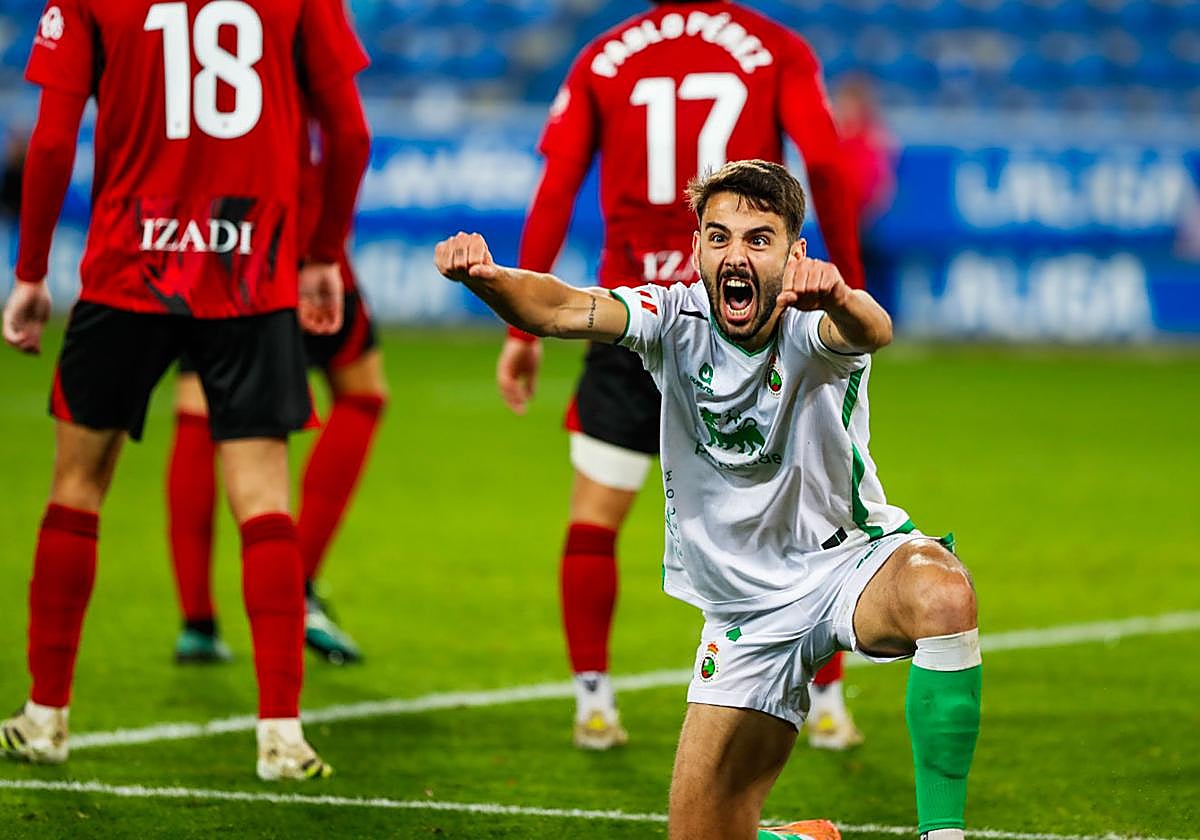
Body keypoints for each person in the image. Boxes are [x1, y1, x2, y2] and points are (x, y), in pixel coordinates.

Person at [436, 159, 981, 840]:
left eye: (759, 239)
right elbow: (554, 306)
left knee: (942, 592)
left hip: (849, 568)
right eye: (719, 236)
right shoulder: (670, 317)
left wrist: (839, 294)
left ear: (794, 254)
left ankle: (944, 836)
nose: (736, 254)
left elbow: (872, 331)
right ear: (695, 248)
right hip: (742, 612)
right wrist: (487, 280)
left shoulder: (811, 323)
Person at [0, 0, 371, 780]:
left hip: (127, 269)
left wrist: (31, 271)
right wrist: (321, 253)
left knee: (76, 487)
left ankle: (46, 717)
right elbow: (350, 134)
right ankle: (281, 734)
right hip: (252, 273)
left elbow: (54, 138)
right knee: (265, 497)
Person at [497, 0, 871, 751]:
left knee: (595, 513)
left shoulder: (606, 53)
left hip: (635, 316)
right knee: (805, 521)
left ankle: (593, 702)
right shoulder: (773, 47)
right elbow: (825, 161)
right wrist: (848, 287)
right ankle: (826, 705)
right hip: (751, 322)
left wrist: (521, 329)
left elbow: (558, 183)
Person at [168, 119, 386, 667]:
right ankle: (301, 583)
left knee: (197, 407)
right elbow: (348, 134)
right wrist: (327, 246)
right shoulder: (292, 30)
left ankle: (197, 620)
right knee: (363, 393)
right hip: (294, 229)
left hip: (208, 234)